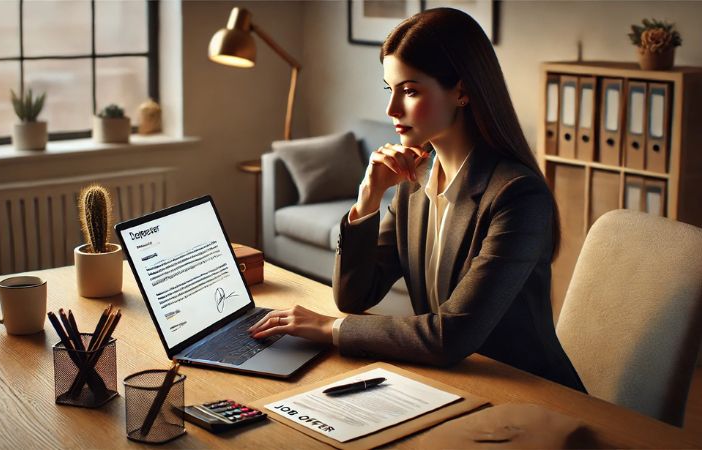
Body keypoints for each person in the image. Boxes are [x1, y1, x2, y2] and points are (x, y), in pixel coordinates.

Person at [248, 7, 585, 392]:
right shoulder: (414, 180)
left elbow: (451, 335)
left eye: (409, 91)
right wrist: (368, 197)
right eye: (389, 90)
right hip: (453, 382)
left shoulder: (517, 196)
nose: (392, 110)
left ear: (461, 91)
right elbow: (356, 295)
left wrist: (327, 328)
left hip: (526, 390)